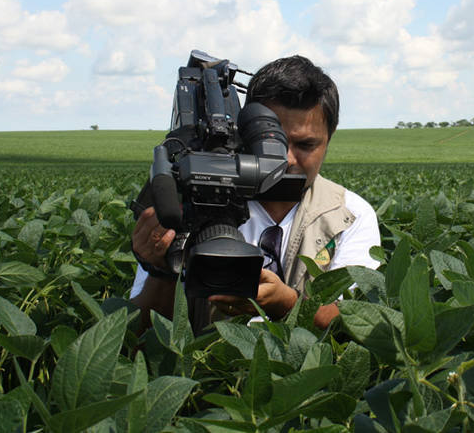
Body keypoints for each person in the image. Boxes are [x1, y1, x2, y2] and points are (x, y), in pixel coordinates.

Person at [129, 55, 380, 332]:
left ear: (329, 140)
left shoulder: (349, 215)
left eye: (306, 145)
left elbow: (357, 325)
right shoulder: (195, 197)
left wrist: (286, 304)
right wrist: (161, 271)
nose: (287, 159)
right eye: (272, 141)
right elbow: (143, 336)